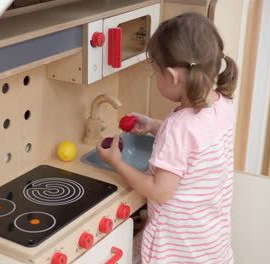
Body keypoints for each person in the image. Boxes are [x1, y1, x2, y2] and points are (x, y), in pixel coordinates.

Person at [96, 13, 238, 264]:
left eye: (156, 71)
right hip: (209, 245)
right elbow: (196, 144)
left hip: (176, 251)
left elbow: (159, 191)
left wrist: (116, 162)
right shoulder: (221, 105)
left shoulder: (179, 127)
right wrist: (153, 126)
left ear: (171, 76)